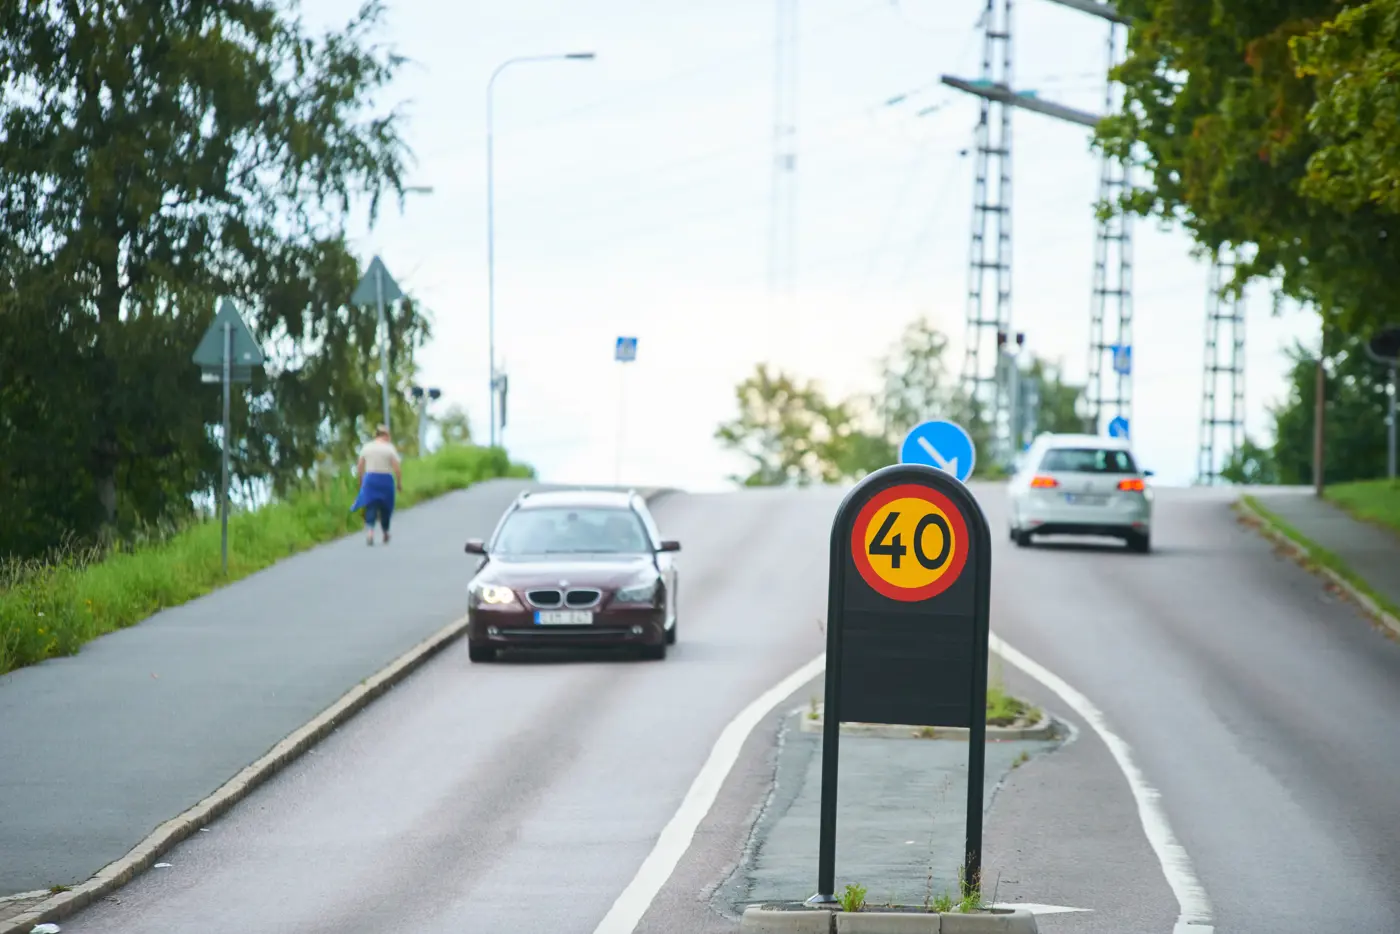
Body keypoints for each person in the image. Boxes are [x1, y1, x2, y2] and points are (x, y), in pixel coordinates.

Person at [351, 424, 402, 545]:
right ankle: (385, 532)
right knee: (386, 507)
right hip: (386, 479)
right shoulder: (389, 448)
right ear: (385, 435)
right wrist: (399, 483)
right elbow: (397, 468)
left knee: (371, 506)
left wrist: (361, 481)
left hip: (370, 479)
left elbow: (360, 466)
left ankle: (370, 532)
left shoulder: (367, 447)